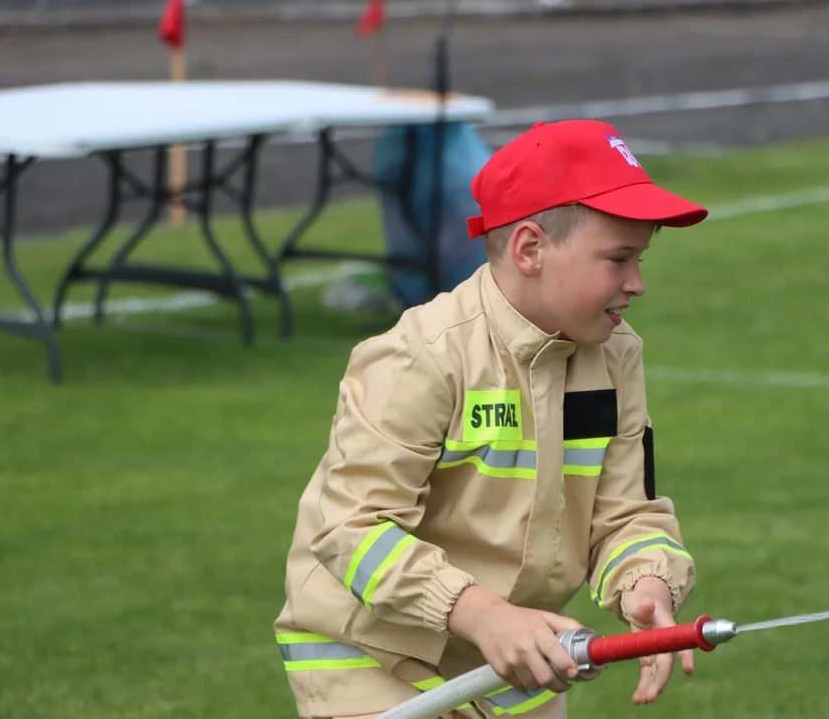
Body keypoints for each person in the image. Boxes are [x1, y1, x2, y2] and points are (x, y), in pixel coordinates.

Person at [273, 118, 710, 719]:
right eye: (619, 258)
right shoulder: (421, 356)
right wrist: (482, 614)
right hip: (369, 652)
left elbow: (627, 512)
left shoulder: (614, 355)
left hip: (512, 652)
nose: (637, 283)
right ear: (531, 249)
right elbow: (350, 529)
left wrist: (646, 584)